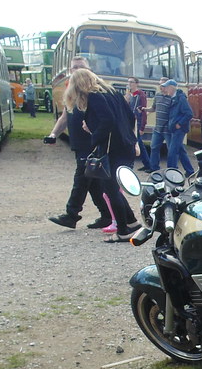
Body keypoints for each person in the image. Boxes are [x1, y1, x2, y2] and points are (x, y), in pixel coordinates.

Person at [65, 68, 140, 243]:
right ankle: (132, 222)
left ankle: (123, 231)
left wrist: (94, 135)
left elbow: (107, 120)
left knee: (110, 189)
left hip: (112, 148)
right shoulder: (113, 92)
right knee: (114, 186)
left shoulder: (95, 96)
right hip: (125, 144)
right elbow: (130, 117)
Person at [46, 56, 112, 230]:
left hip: (91, 144)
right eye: (74, 67)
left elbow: (107, 118)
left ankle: (71, 214)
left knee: (81, 180)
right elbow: (65, 117)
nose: (76, 70)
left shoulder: (95, 92)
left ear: (88, 69)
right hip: (79, 144)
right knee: (93, 183)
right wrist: (54, 134)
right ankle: (106, 215)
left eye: (80, 67)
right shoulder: (72, 92)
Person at [165, 80, 195, 175]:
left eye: (167, 87)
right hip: (176, 128)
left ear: (172, 87)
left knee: (172, 152)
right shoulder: (175, 98)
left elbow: (189, 113)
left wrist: (179, 123)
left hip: (179, 129)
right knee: (181, 151)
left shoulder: (180, 99)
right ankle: (190, 171)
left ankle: (171, 173)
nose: (166, 89)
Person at [127, 77, 153, 171]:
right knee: (138, 143)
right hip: (130, 121)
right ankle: (147, 164)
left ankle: (147, 164)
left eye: (131, 82)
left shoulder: (141, 94)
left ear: (136, 84)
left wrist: (142, 126)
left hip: (137, 122)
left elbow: (143, 111)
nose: (129, 84)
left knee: (137, 142)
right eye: (129, 82)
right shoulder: (130, 94)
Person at [147, 78, 170, 172]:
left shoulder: (171, 97)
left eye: (163, 85)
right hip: (158, 128)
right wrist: (145, 110)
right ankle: (154, 168)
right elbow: (153, 108)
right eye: (160, 85)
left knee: (171, 149)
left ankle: (171, 169)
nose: (161, 87)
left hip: (168, 128)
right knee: (154, 147)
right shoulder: (157, 96)